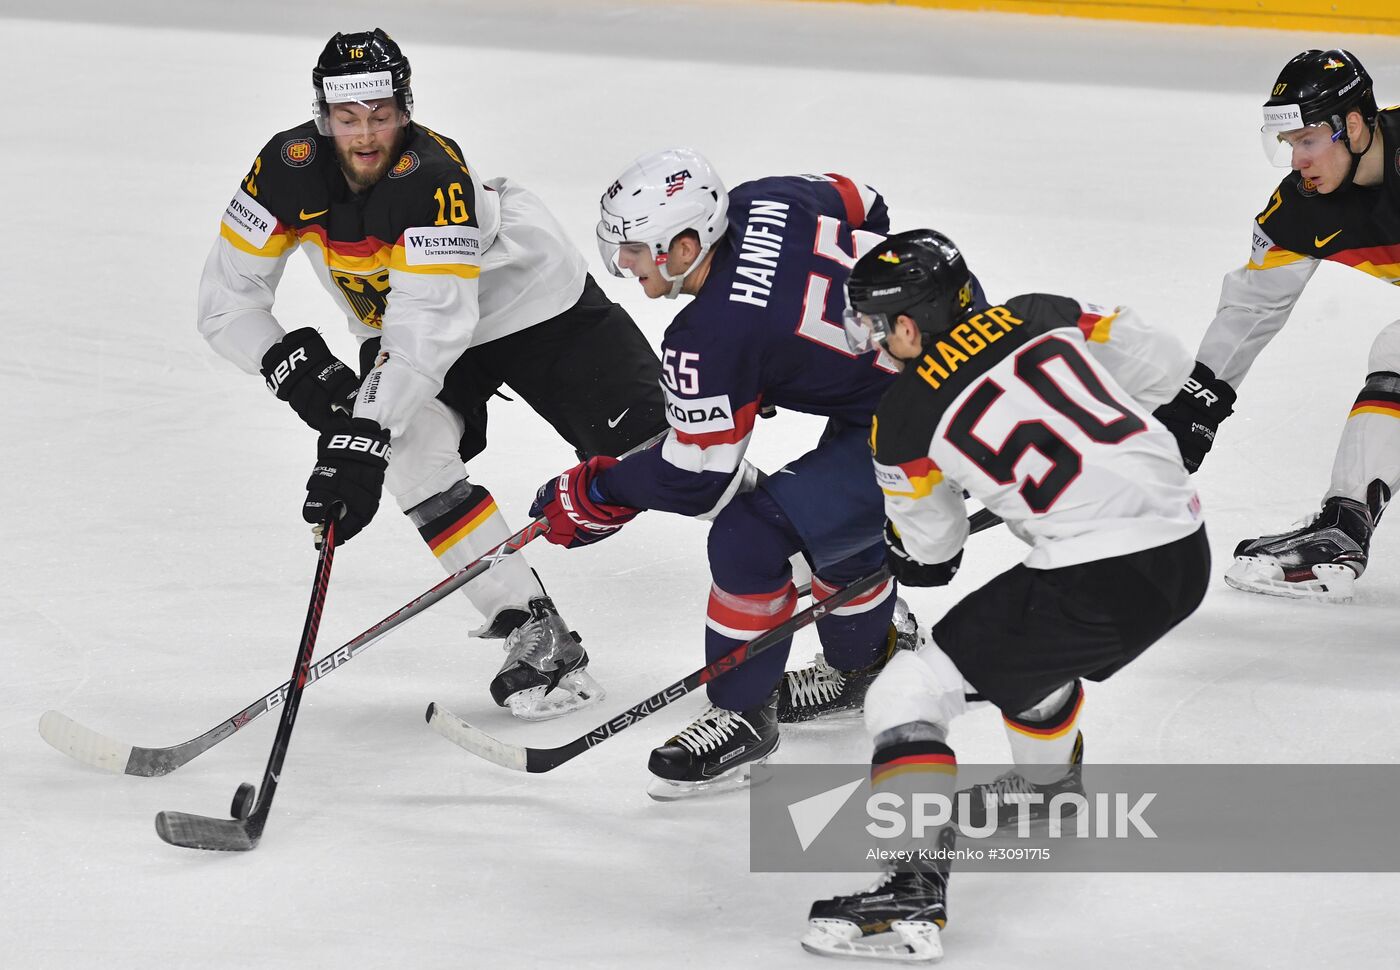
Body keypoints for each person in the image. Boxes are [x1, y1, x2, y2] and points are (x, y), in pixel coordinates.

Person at [196, 29, 667, 719]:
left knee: (667, 452)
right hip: (408, 324)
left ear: (405, 108)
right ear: (323, 116)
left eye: (381, 116)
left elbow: (428, 330)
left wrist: (360, 434)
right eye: (348, 118)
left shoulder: (433, 176)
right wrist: (294, 372)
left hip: (529, 301)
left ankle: (832, 568)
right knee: (412, 453)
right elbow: (225, 302)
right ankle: (533, 627)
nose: (365, 136)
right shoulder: (284, 169)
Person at [528, 148, 987, 799]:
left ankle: (744, 718)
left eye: (635, 248)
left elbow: (698, 477)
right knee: (834, 523)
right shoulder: (768, 198)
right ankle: (865, 665)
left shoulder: (710, 334)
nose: (625, 263)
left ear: (686, 244)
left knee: (750, 535)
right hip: (952, 338)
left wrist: (601, 488)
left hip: (924, 424)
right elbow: (865, 203)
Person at [802, 231, 1209, 963]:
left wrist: (904, 546)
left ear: (907, 325)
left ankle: (910, 890)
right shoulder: (1041, 311)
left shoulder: (901, 416)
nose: (870, 342)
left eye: (871, 323)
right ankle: (1050, 790)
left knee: (907, 693)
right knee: (1019, 645)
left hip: (1099, 577)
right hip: (1184, 546)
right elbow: (1168, 365)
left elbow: (934, 551)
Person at [1154, 48, 1397, 604]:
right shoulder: (1301, 210)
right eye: (1289, 145)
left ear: (1353, 125)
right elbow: (1252, 308)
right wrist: (1194, 405)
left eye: (1308, 141)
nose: (1297, 162)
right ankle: (1344, 529)